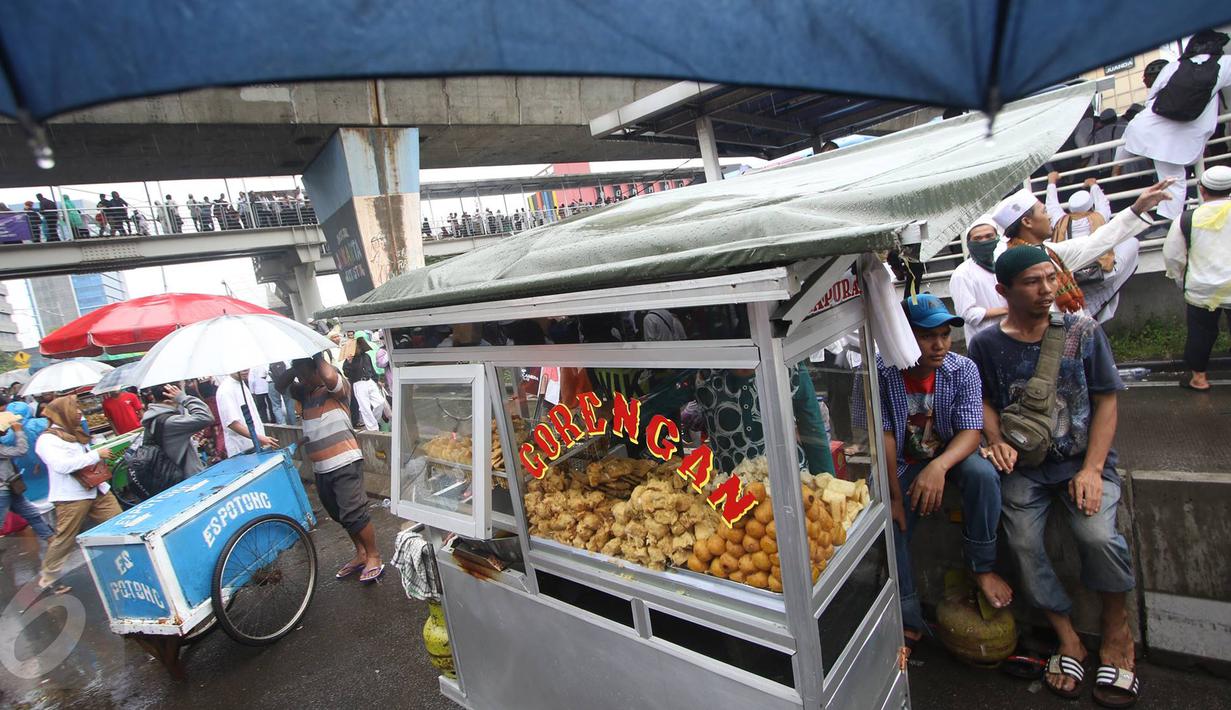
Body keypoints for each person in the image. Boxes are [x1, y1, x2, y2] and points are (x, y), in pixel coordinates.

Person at [969, 248, 1139, 707]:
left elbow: (1107, 400)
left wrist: (1092, 468)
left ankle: (1117, 630)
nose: (1046, 290)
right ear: (1003, 291)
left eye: (1049, 278)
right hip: (1025, 468)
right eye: (1031, 282)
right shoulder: (985, 344)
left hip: (1083, 460)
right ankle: (1067, 637)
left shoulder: (1082, 331)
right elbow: (983, 399)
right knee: (1023, 542)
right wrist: (996, 437)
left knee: (1099, 535)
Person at [873, 294, 1011, 649]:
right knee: (889, 517)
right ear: (903, 337)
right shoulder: (880, 371)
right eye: (927, 336)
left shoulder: (962, 368)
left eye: (945, 335)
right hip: (903, 461)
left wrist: (939, 465)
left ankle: (982, 566)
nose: (939, 345)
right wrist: (894, 497)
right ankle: (905, 609)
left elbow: (970, 431)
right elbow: (884, 436)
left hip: (951, 453)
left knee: (983, 475)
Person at [990, 179, 1174, 315]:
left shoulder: (1049, 251)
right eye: (1044, 212)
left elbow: (1096, 242)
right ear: (1027, 221)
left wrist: (1137, 208)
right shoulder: (1013, 262)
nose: (1050, 217)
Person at [278, 352, 384, 583]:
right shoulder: (304, 393)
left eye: (307, 374)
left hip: (345, 460)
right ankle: (361, 553)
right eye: (301, 376)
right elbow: (280, 385)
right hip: (321, 467)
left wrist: (314, 354)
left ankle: (374, 556)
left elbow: (328, 373)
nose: (303, 379)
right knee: (340, 515)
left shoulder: (336, 389)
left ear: (317, 368)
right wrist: (296, 367)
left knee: (354, 512)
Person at [1120, 31, 1231, 220]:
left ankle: (1172, 221)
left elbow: (1151, 99)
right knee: (1185, 176)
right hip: (1192, 132)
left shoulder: (1174, 66)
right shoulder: (1224, 63)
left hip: (1153, 129)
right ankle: (1190, 217)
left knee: (1172, 179)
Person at [35, 395, 122, 595]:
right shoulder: (47, 440)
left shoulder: (75, 434)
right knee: (64, 539)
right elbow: (62, 466)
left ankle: (122, 564)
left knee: (118, 523)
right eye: (74, 409)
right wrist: (95, 455)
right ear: (63, 413)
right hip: (71, 497)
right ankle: (49, 579)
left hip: (97, 489)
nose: (79, 413)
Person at [1162, 165, 1231, 392]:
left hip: (1201, 288)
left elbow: (1173, 256)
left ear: (1202, 190)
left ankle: (1199, 379)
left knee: (1200, 332)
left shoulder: (1186, 219)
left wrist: (1181, 280)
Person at [1043, 172, 1139, 322]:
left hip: (1073, 277)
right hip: (1103, 275)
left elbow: (1051, 204)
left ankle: (1093, 310)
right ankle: (1100, 305)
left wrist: (1051, 182)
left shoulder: (1060, 221)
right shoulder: (1100, 216)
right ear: (1091, 206)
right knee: (1132, 242)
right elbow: (1103, 202)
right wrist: (1093, 185)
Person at [1, 411, 55, 544]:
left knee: (32, 515)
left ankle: (53, 541)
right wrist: (19, 432)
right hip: (3, 490)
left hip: (11, 487)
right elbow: (21, 450)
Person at [950, 217, 1008, 340]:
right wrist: (1008, 310)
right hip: (985, 342)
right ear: (969, 243)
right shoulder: (962, 274)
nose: (984, 241)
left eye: (989, 236)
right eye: (977, 238)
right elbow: (968, 314)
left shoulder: (1006, 264)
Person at [139, 383, 215, 476]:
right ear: (169, 400)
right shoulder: (170, 422)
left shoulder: (152, 418)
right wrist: (183, 398)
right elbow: (206, 417)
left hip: (170, 476)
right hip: (186, 477)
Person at [215, 371, 277, 457]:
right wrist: (259, 438)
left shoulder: (241, 384)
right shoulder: (225, 390)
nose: (244, 370)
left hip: (255, 444)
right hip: (243, 449)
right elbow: (232, 423)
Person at [342, 332, 390, 431]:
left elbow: (372, 370)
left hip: (370, 381)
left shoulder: (366, 356)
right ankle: (373, 428)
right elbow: (347, 373)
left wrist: (377, 381)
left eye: (359, 346)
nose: (358, 348)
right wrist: (350, 363)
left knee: (380, 402)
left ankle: (373, 422)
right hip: (358, 383)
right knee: (365, 407)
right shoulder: (349, 360)